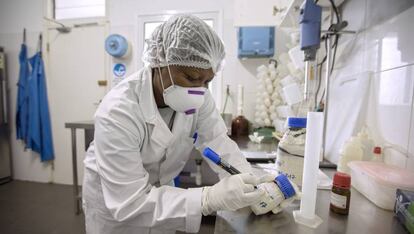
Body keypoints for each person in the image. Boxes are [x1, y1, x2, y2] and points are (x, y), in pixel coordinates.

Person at [82, 14, 285, 234]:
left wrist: (251, 184)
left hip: (164, 198)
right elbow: (130, 201)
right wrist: (208, 198)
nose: (199, 90)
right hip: (117, 208)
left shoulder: (200, 96)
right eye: (191, 77)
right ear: (160, 63)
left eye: (207, 81)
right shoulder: (118, 112)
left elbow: (217, 141)